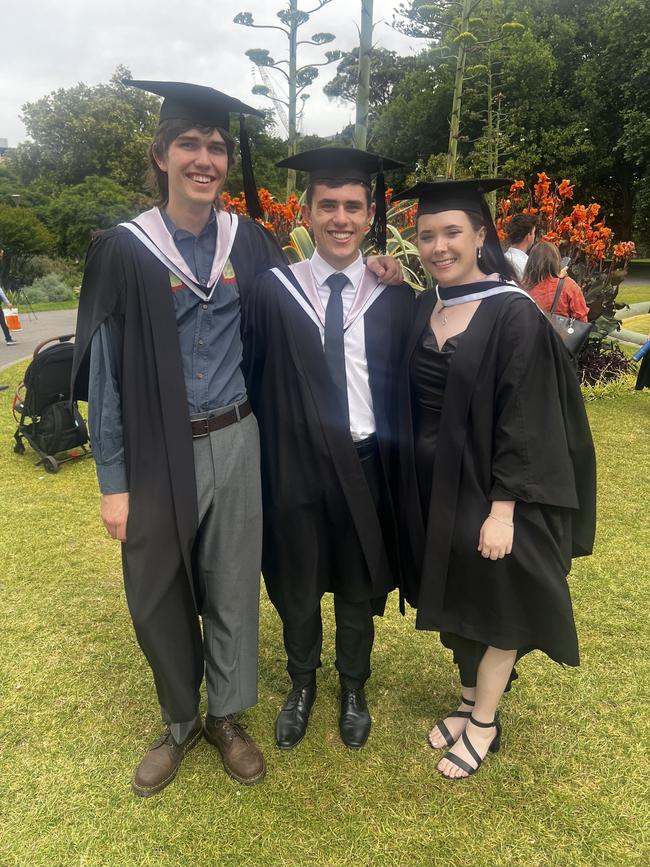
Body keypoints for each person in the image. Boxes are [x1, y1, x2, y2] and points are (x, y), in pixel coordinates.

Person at [71, 82, 403, 797]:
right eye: (189, 144)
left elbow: (299, 312)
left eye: (216, 147)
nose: (205, 158)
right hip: (158, 453)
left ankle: (226, 716)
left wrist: (383, 266)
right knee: (157, 588)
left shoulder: (248, 243)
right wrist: (113, 481)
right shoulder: (125, 251)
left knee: (230, 584)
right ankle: (177, 720)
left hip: (239, 438)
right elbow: (103, 380)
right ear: (162, 155)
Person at [397, 179, 596, 780]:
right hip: (440, 488)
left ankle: (485, 720)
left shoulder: (512, 312)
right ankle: (465, 700)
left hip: (495, 491)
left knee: (500, 600)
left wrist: (504, 509)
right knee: (461, 596)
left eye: (452, 232)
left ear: (480, 235)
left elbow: (526, 418)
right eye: (426, 234)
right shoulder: (425, 304)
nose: (438, 246)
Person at [243, 147, 414, 751]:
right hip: (293, 465)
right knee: (297, 580)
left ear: (371, 217)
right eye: (328, 206)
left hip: (365, 464)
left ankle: (353, 687)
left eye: (352, 206)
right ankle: (300, 684)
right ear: (309, 214)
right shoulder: (273, 291)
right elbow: (252, 374)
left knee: (358, 583)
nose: (340, 218)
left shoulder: (393, 296)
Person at [521, 241, 589, 321]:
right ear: (556, 261)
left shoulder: (524, 287)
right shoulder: (568, 285)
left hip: (531, 332)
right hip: (559, 332)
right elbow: (581, 316)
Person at [503, 213, 538, 281]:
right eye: (534, 233)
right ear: (528, 236)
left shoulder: (501, 259)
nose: (534, 236)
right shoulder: (528, 266)